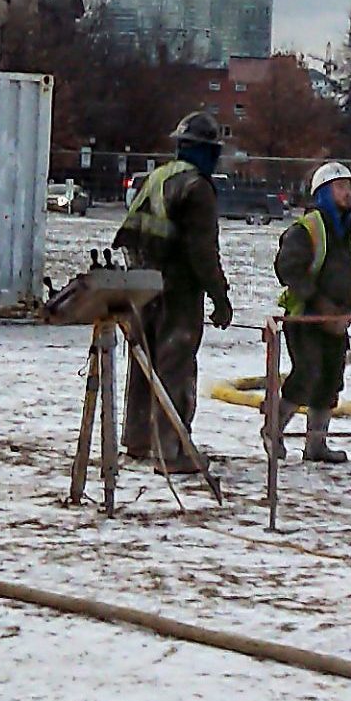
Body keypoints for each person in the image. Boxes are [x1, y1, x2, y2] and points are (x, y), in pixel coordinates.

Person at [111, 111, 235, 472]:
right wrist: (219, 295)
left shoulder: (159, 176)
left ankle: (137, 439)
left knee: (143, 359)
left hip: (141, 282)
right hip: (178, 287)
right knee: (174, 364)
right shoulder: (197, 188)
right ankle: (172, 450)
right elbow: (202, 251)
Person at [270, 161, 351, 464]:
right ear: (323, 192)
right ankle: (273, 431)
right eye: (340, 187)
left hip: (336, 320)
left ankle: (316, 444)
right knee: (307, 373)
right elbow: (288, 268)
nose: (347, 193)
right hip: (305, 318)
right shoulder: (307, 229)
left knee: (330, 379)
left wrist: (350, 306)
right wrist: (320, 304)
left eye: (349, 187)